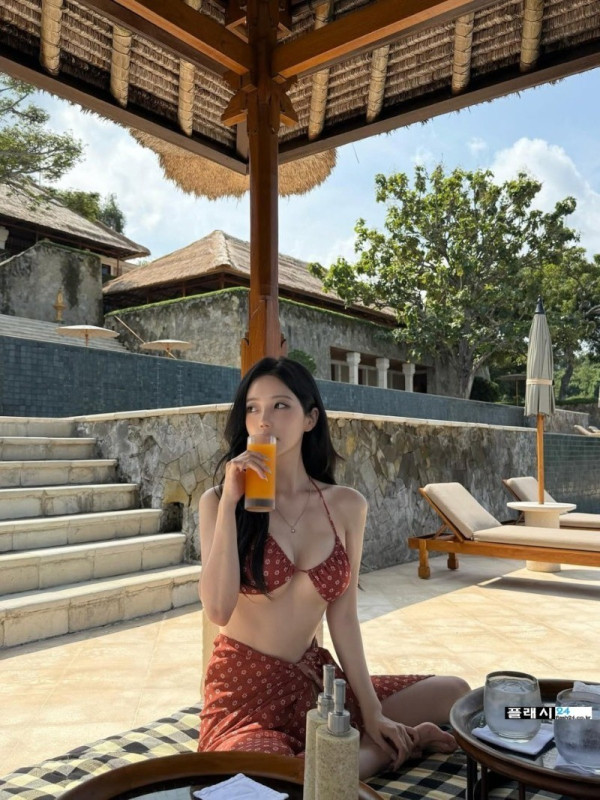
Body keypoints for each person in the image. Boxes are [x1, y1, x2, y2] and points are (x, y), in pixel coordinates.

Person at [198, 356, 469, 778]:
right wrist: (233, 500)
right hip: (246, 693)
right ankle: (390, 747)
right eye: (252, 408)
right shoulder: (219, 501)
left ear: (310, 418)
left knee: (454, 691)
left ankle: (364, 742)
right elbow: (217, 610)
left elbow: (343, 618)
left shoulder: (345, 505)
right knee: (275, 782)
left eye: (280, 405)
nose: (264, 420)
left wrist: (373, 712)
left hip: (316, 685)